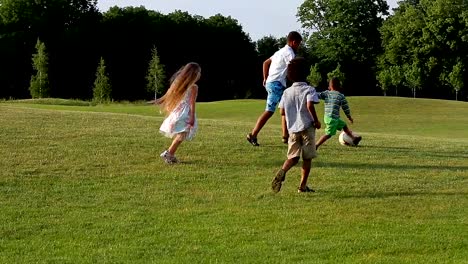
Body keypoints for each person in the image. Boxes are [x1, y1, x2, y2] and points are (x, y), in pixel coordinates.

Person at [271, 57, 321, 193]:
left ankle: (283, 170)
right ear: (306, 73)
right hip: (307, 128)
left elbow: (282, 111)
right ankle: (302, 186)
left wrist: (285, 132)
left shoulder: (286, 92)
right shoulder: (309, 89)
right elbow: (310, 105)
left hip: (293, 129)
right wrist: (316, 121)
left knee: (292, 157)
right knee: (307, 158)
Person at [246, 31, 303, 146]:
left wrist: (265, 78)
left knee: (285, 108)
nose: (299, 46)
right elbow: (293, 68)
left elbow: (265, 63)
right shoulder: (289, 53)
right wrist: (298, 82)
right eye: (299, 44)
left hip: (272, 82)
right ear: (293, 42)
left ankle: (285, 137)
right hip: (276, 84)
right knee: (270, 111)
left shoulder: (279, 52)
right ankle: (253, 134)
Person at [157, 62, 201, 164]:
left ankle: (170, 154)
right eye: (199, 72)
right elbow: (192, 104)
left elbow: (173, 96)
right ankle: (169, 154)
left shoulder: (178, 84)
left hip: (178, 112)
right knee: (182, 134)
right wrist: (192, 118)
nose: (200, 74)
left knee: (181, 134)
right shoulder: (194, 87)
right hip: (186, 113)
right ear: (194, 74)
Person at [315, 77, 361, 149]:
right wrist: (349, 117)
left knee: (344, 125)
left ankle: (354, 139)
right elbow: (346, 108)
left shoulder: (326, 93)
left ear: (329, 86)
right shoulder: (340, 96)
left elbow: (317, 95)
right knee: (328, 134)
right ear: (340, 86)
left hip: (330, 117)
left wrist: (310, 92)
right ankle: (316, 145)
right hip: (332, 118)